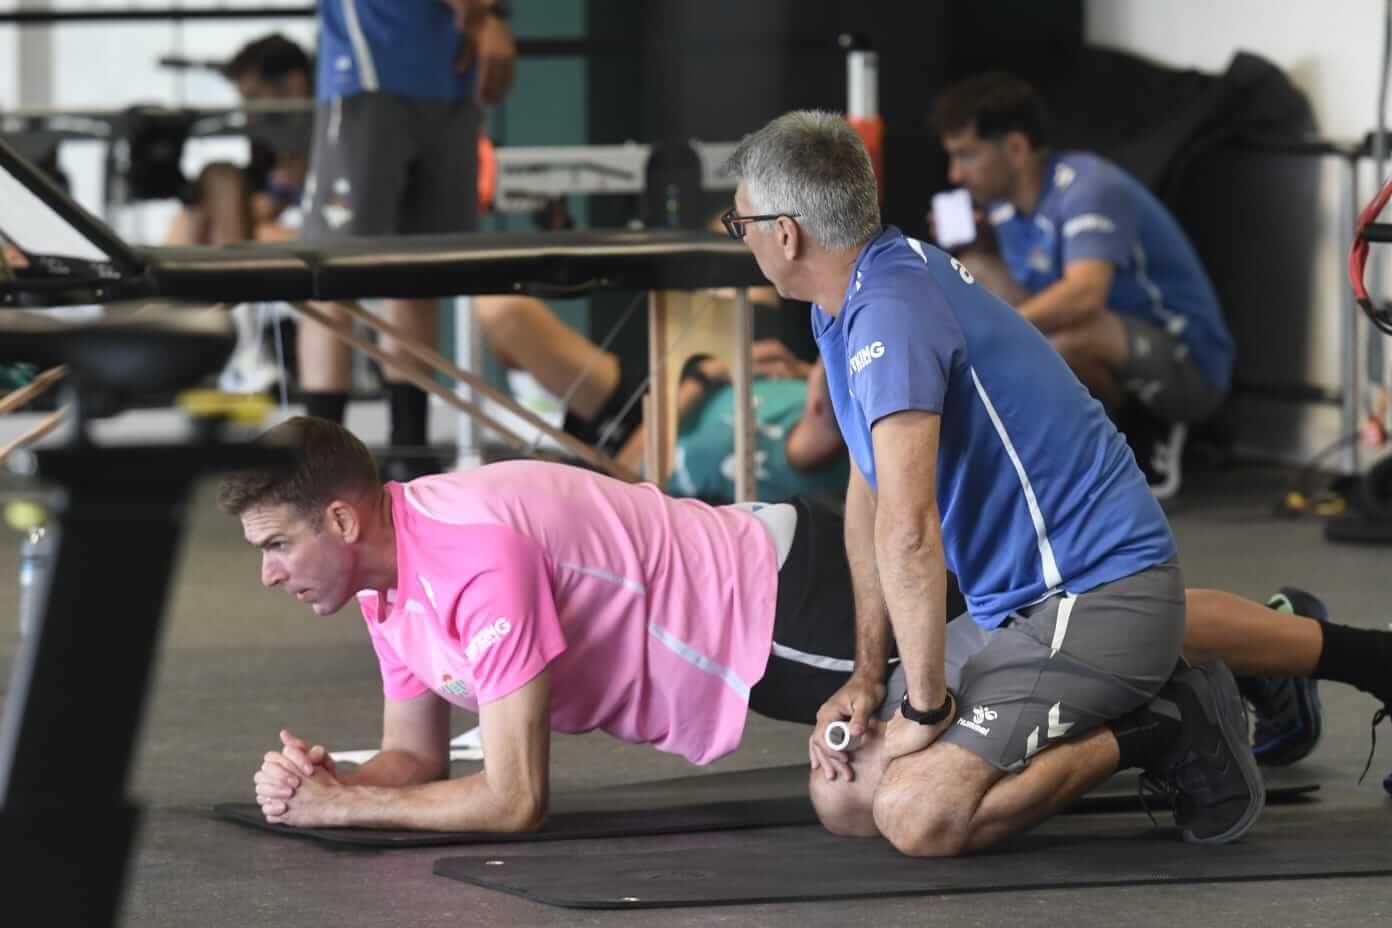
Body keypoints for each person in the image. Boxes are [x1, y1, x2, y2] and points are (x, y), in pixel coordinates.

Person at [221, 419, 1392, 834]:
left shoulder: (468, 555)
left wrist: (343, 809)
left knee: (1083, 631)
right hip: (771, 597)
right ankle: (1296, 658)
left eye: (278, 546)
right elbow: (420, 760)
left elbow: (511, 799)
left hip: (792, 617)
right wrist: (340, 775)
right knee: (1081, 626)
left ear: (339, 513)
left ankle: (1274, 682)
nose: (270, 575)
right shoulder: (385, 580)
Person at [723, 109, 1260, 854]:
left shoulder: (893, 310)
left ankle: (1171, 725)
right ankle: (1096, 713)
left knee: (915, 816)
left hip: (1096, 596)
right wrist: (865, 680)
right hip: (1020, 610)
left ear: (786, 234)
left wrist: (923, 706)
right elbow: (869, 493)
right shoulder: (843, 302)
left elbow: (909, 530)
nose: (739, 236)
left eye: (738, 222)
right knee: (843, 795)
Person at [928, 73, 1235, 500]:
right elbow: (1024, 296)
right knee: (974, 268)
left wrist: (988, 336)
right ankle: (1021, 463)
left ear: (1015, 148)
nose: (955, 174)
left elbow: (1085, 295)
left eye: (966, 155)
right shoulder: (999, 211)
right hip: (1103, 349)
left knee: (1070, 335)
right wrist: (981, 251)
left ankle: (1134, 445)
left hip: (1192, 365)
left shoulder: (1089, 186)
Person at [296, 0, 516, 481]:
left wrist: (495, 15)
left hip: (453, 72)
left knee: (420, 274)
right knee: (332, 274)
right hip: (369, 62)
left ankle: (409, 451)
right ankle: (318, 464)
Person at [472, 294, 848, 502]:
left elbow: (622, 480)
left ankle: (542, 402)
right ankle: (541, 396)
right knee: (733, 224)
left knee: (502, 312)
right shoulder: (833, 417)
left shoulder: (772, 486)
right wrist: (795, 370)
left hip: (650, 418)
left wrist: (699, 381)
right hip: (726, 366)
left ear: (816, 403)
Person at [164, 34, 313, 250]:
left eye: (252, 98)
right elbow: (266, 208)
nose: (248, 114)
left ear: (294, 87)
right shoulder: (276, 151)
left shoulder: (339, 143)